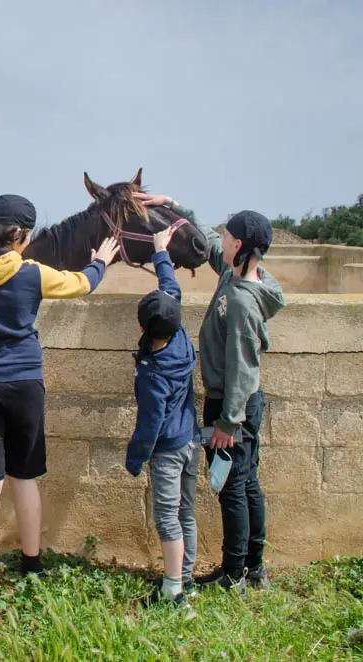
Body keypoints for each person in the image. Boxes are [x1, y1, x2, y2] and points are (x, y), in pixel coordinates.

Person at [0, 194, 119, 614]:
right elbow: (82, 284)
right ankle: (32, 567)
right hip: (24, 385)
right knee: (25, 477)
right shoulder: (32, 273)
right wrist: (101, 261)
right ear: (19, 236)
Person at [135, 193, 285, 590]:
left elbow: (242, 367)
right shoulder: (240, 273)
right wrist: (174, 204)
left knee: (233, 489)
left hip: (232, 405)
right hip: (238, 404)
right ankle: (255, 568)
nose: (222, 237)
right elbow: (207, 243)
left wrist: (227, 422)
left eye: (228, 234)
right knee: (248, 482)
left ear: (240, 245)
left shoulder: (239, 303)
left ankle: (234, 573)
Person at [124, 224, 201, 608]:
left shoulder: (154, 374)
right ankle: (184, 574)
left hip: (169, 450)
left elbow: (150, 424)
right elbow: (170, 287)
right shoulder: (180, 335)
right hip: (191, 441)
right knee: (186, 511)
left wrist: (136, 458)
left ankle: (174, 592)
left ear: (141, 327)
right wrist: (160, 251)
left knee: (166, 518)